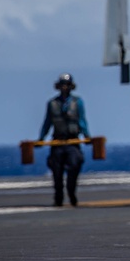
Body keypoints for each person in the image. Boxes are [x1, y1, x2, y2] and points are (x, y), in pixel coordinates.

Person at [38, 73, 90, 207]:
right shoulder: (52, 103)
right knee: (57, 171)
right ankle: (58, 197)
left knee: (74, 165)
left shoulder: (77, 102)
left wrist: (87, 136)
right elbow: (47, 122)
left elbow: (82, 121)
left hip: (73, 141)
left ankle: (72, 193)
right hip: (58, 142)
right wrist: (41, 138)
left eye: (66, 85)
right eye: (62, 85)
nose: (64, 87)